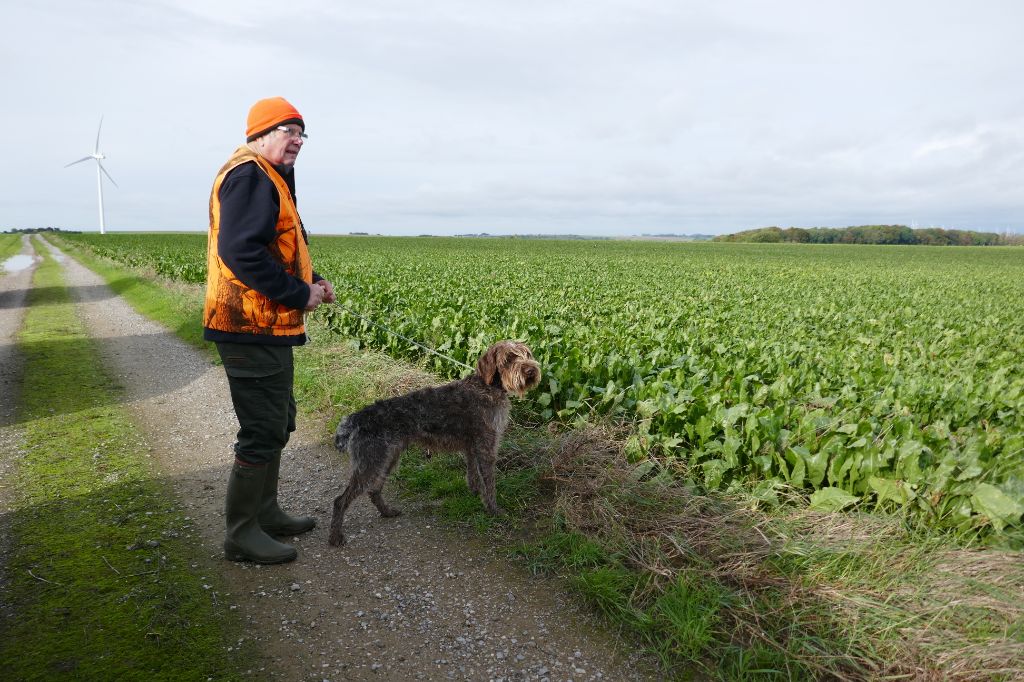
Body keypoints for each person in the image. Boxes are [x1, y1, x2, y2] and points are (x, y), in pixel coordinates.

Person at [203, 96, 336, 564]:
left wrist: (311, 282)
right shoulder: (250, 176)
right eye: (288, 130)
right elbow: (241, 251)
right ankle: (241, 533)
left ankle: (266, 511)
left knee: (279, 419)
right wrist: (300, 295)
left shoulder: (269, 177)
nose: (298, 140)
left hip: (266, 326)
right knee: (261, 428)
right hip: (247, 324)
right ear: (259, 133)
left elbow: (276, 248)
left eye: (302, 133)